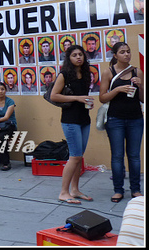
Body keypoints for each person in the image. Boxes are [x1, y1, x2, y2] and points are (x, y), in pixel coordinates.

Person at [99, 42, 144, 203]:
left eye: (128, 51)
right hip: (115, 119)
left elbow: (143, 99)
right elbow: (102, 97)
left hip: (136, 118)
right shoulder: (108, 72)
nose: (127, 54)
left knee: (134, 156)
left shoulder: (137, 71)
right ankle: (118, 190)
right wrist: (118, 89)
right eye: (123, 52)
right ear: (115, 55)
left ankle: (136, 189)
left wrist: (141, 87)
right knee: (117, 156)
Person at [50, 44, 95, 204]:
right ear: (69, 58)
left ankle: (75, 190)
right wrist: (77, 98)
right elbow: (54, 96)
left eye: (81, 54)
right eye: (74, 55)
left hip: (84, 119)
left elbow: (84, 96)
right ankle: (63, 192)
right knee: (74, 157)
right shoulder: (64, 75)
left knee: (79, 157)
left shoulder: (86, 74)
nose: (78, 57)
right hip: (70, 121)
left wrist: (87, 101)